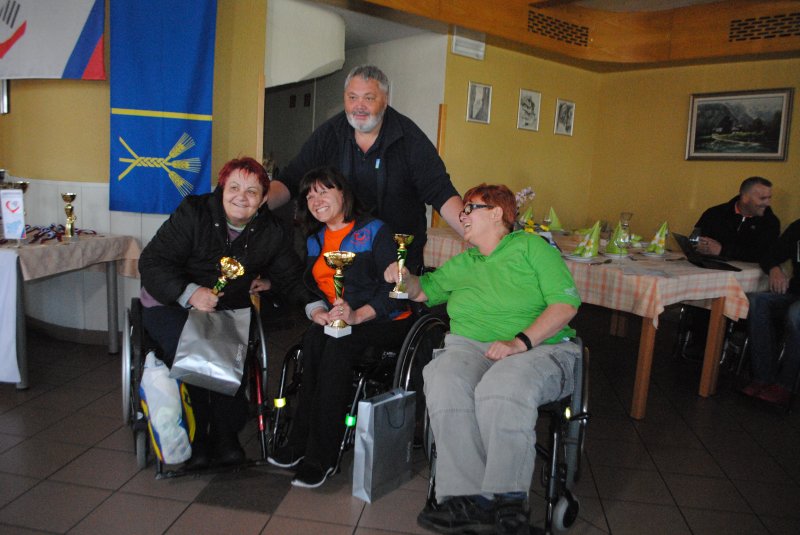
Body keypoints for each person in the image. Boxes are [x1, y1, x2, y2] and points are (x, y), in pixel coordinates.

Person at [384, 184, 582, 535]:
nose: (461, 216)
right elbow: (424, 290)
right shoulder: (466, 261)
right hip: (471, 347)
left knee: (502, 386)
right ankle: (466, 498)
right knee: (443, 378)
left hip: (540, 347)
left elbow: (565, 305)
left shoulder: (532, 248)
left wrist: (519, 342)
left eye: (469, 208)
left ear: (497, 213)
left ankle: (507, 502)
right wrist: (405, 278)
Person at [139, 156, 311, 469]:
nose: (241, 197)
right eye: (234, 188)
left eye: (252, 192)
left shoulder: (270, 231)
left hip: (226, 305)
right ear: (221, 189)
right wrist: (190, 293)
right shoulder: (194, 212)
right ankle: (196, 437)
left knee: (231, 352)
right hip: (170, 301)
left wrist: (313, 305)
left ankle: (225, 434)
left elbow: (291, 277)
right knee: (194, 348)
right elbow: (152, 262)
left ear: (263, 200)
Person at [267, 166, 413, 488]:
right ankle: (299, 442)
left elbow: (397, 291)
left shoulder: (375, 231)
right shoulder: (315, 240)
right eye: (309, 195)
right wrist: (319, 310)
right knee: (313, 340)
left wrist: (357, 315)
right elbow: (311, 287)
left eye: (323, 191)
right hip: (339, 321)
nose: (315, 200)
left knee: (336, 347)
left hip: (383, 321)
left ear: (343, 193)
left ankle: (322, 456)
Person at [268, 64, 464, 273]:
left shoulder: (410, 139)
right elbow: (291, 179)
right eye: (352, 97)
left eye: (369, 98)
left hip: (397, 262)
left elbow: (441, 192)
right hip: (341, 259)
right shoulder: (329, 134)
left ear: (385, 100)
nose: (359, 106)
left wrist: (475, 234)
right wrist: (253, 205)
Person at [740, 218, 800, 407]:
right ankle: (763, 377)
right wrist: (774, 268)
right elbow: (770, 253)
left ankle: (785, 385)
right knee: (758, 301)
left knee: (796, 313)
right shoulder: (798, 227)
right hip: (795, 292)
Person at [694, 176, 780, 262]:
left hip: (749, 271)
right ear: (745, 198)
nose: (768, 203)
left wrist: (722, 250)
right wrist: (699, 246)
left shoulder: (771, 222)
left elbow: (765, 255)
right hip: (709, 268)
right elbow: (694, 240)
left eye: (769, 198)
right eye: (762, 198)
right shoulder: (714, 213)